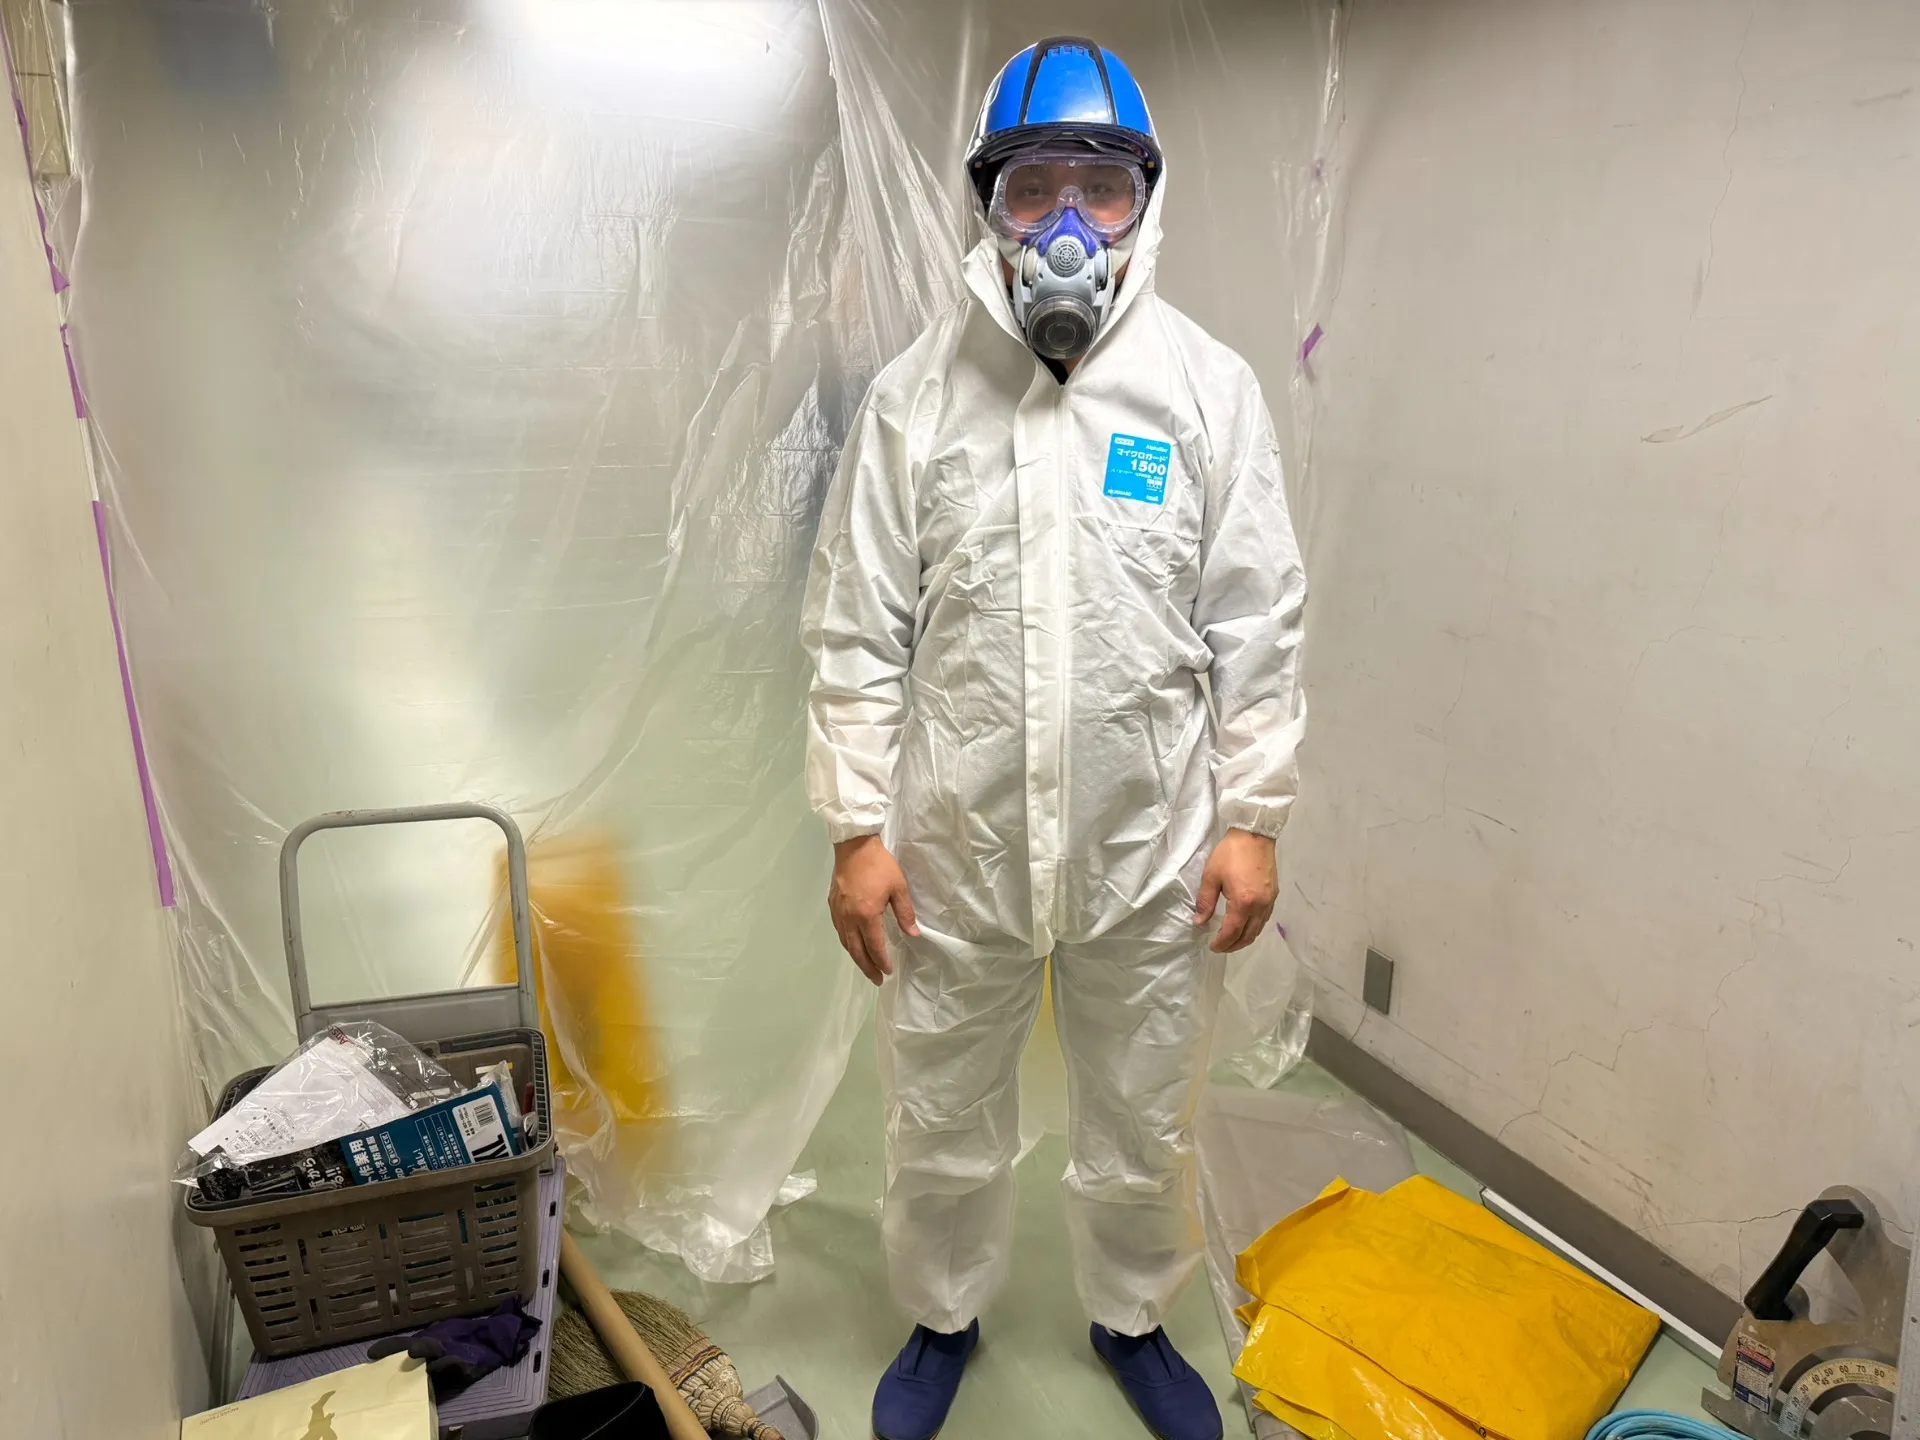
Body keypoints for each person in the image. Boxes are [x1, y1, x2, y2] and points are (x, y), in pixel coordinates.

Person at [801, 35, 1306, 1440]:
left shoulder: (1208, 393)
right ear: (989, 207)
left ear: (1146, 202)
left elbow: (1257, 618)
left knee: (1145, 1114)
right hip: (954, 848)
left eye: (1102, 187)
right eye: (1034, 190)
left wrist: (1254, 817)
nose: (1068, 225)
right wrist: (854, 829)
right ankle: (942, 1315)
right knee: (938, 1109)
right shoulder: (916, 400)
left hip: (1151, 850)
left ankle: (1132, 1318)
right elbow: (856, 627)